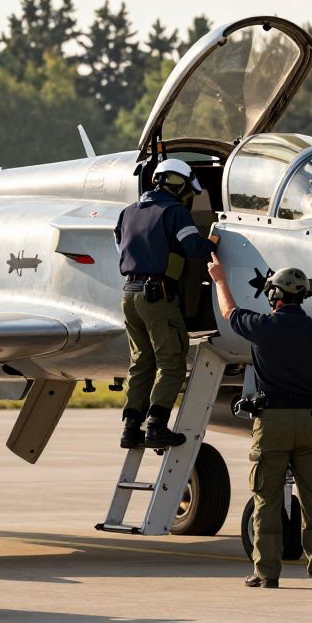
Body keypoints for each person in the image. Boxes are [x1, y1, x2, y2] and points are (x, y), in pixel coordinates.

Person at [207, 254, 312, 589]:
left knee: (266, 498)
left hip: (272, 423)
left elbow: (229, 312)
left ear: (274, 295)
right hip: (310, 422)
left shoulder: (263, 327)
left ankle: (266, 573)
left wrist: (220, 279)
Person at [114, 158, 219, 449]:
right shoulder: (175, 212)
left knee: (141, 362)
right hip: (157, 297)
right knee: (171, 362)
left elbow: (120, 245)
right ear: (178, 184)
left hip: (129, 295)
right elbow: (195, 249)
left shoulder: (128, 212)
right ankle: (156, 426)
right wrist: (214, 239)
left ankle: (130, 428)